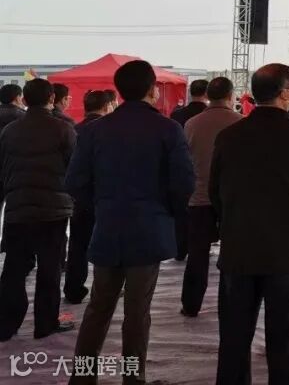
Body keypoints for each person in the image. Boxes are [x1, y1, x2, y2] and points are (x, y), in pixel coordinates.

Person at [66, 60, 194, 384]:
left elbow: (74, 182)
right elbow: (184, 184)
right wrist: (165, 213)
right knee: (137, 313)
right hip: (149, 230)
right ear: (153, 89)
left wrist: (102, 205)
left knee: (98, 308)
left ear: (119, 91)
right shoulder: (168, 129)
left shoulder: (94, 130)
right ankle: (133, 379)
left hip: (108, 226)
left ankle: (82, 378)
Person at [211, 63, 289, 385]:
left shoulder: (229, 137)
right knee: (284, 337)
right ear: (283, 94)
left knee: (234, 337)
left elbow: (216, 194)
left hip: (239, 249)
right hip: (288, 251)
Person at [0, 78, 77, 340]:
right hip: (53, 210)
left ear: (25, 99)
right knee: (49, 268)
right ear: (52, 98)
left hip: (17, 208)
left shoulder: (9, 131)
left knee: (14, 268)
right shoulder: (64, 129)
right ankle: (45, 324)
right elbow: (74, 168)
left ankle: (6, 324)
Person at [180, 77, 242, 317]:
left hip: (199, 196)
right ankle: (231, 304)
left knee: (197, 254)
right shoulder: (240, 122)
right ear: (231, 96)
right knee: (232, 253)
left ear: (208, 95)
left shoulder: (191, 124)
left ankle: (191, 303)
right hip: (231, 198)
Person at [63, 90, 110, 305]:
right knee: (106, 246)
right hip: (104, 198)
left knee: (78, 245)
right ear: (107, 106)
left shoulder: (75, 129)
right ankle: (104, 290)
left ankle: (73, 289)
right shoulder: (108, 131)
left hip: (80, 199)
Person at [170, 79, 209, 263]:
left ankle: (180, 248)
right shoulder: (208, 116)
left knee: (181, 212)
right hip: (204, 173)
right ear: (207, 94)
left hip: (180, 170)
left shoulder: (177, 115)